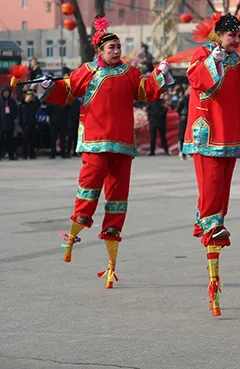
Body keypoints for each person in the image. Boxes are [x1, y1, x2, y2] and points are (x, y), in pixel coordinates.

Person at [36, 16, 171, 287]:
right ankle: (76, 230)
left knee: (118, 195)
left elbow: (146, 90)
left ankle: (111, 258)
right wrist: (49, 86)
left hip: (122, 143)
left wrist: (159, 74)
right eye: (112, 47)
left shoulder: (130, 72)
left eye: (119, 46)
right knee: (90, 183)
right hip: (95, 141)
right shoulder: (86, 71)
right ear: (100, 51)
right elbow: (66, 92)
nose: (117, 50)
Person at [183, 12, 240, 316]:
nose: (236, 40)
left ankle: (209, 220)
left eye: (239, 35)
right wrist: (213, 61)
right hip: (208, 133)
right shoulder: (203, 55)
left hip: (229, 134)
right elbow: (197, 80)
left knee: (221, 187)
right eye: (232, 35)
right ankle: (209, 224)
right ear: (219, 35)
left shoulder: (235, 60)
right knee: (211, 185)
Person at [0, 86, 19, 160]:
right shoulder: (0, 101)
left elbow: (16, 111)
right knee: (1, 140)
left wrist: (13, 116)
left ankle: (11, 155)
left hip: (10, 123)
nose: (6, 93)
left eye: (7, 92)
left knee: (10, 140)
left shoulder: (12, 101)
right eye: (5, 92)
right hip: (1, 124)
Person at [19, 90, 39, 159]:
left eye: (31, 95)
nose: (30, 96)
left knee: (32, 140)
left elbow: (38, 105)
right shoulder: (22, 104)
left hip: (32, 124)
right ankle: (24, 154)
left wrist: (35, 97)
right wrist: (20, 125)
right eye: (28, 94)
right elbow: (20, 115)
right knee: (24, 141)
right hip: (24, 124)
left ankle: (32, 154)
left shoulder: (33, 104)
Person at [173, 86, 190, 160]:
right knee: (183, 135)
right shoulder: (185, 98)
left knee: (185, 135)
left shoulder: (187, 98)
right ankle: (183, 152)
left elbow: (178, 108)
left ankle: (185, 152)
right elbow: (178, 108)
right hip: (186, 117)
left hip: (186, 117)